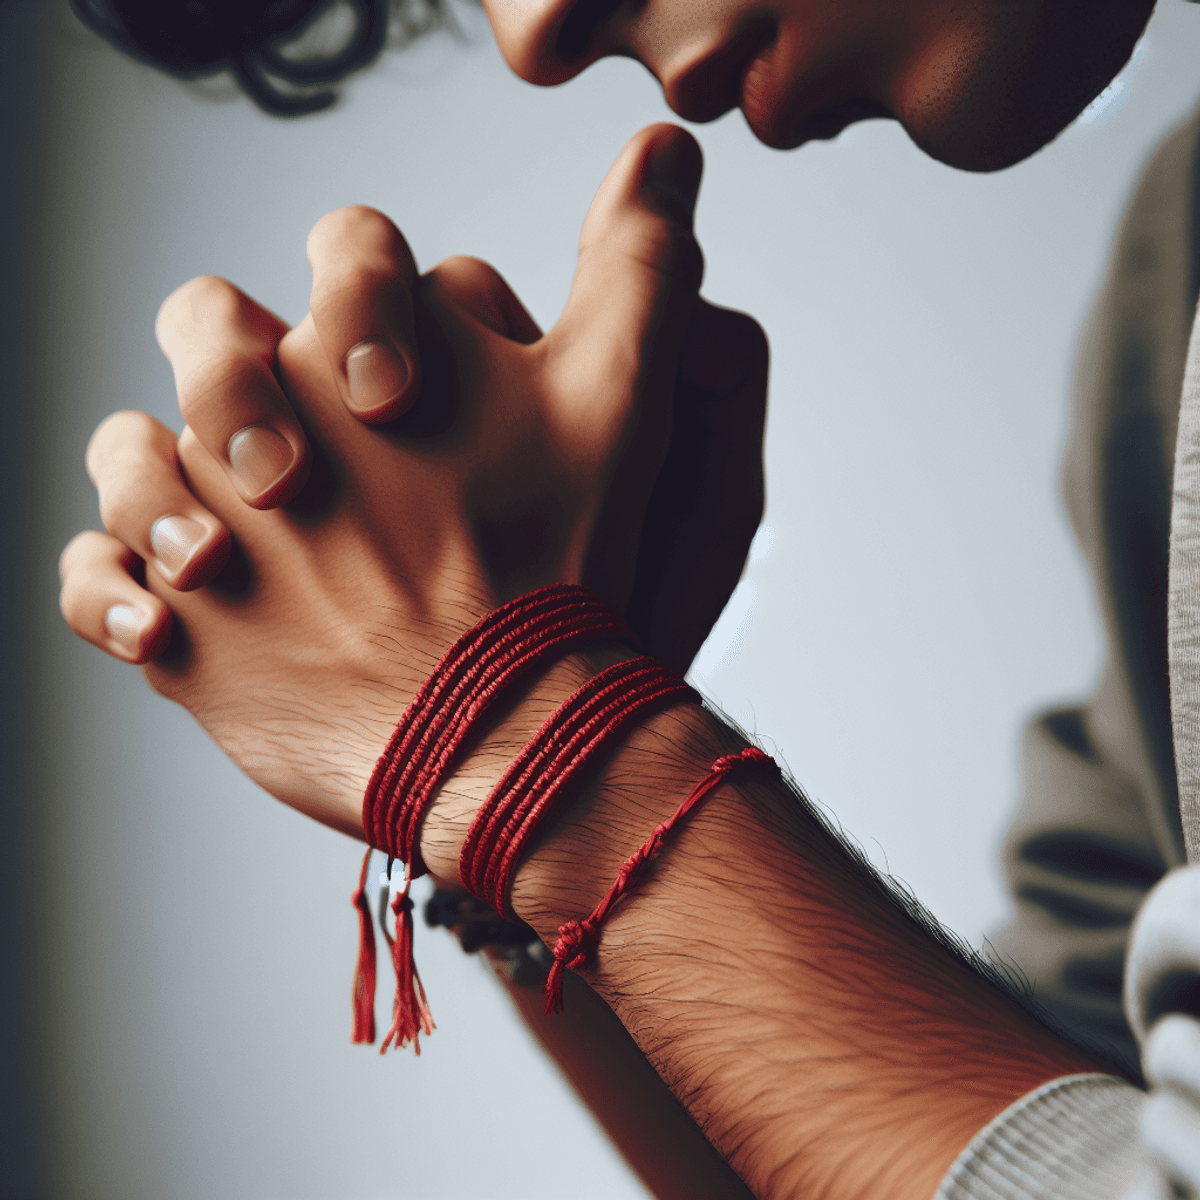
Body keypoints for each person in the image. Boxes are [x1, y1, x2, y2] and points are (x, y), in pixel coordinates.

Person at [57, 0, 1200, 1196]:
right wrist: (517, 815)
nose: (532, 30)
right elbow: (1044, 1122)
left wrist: (542, 749)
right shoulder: (1171, 288)